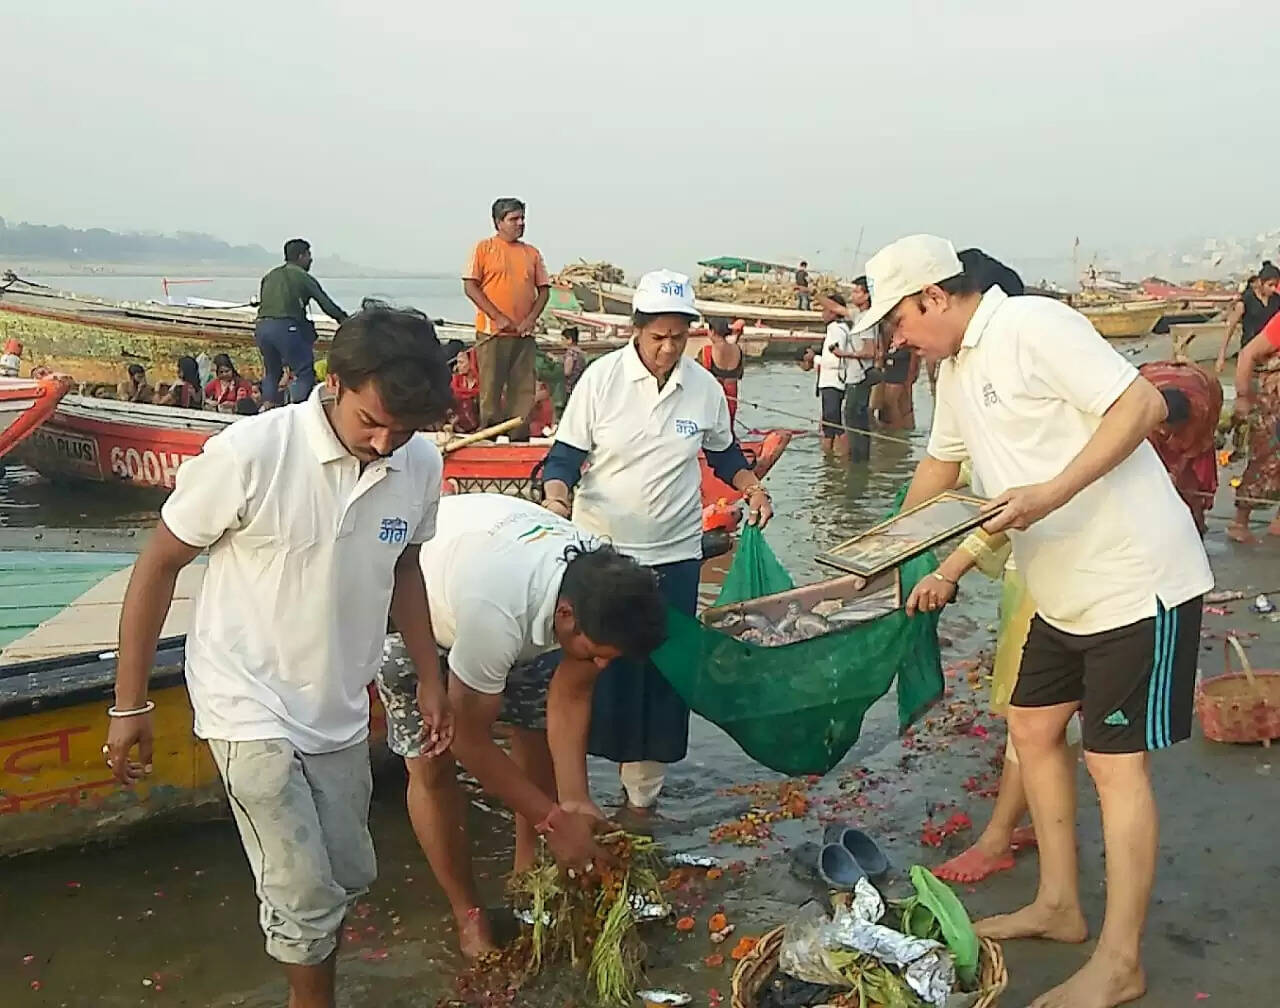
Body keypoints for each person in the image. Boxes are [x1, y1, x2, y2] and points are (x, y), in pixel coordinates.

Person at [869, 234, 1212, 1008]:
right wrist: (875, 553)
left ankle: (1120, 962)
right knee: (1030, 728)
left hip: (1134, 581)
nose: (897, 339)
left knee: (1115, 767)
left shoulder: (1032, 325)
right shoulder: (955, 368)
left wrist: (1049, 493)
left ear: (933, 296)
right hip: (1060, 589)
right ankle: (1059, 904)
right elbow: (940, 469)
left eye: (898, 321)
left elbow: (1142, 405)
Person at [104, 305, 454, 1008]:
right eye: (371, 423)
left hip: (338, 702)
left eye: (403, 430)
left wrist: (429, 675)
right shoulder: (251, 454)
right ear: (335, 383)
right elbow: (158, 564)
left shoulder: (418, 462)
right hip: (246, 699)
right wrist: (129, 703)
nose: (384, 443)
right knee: (303, 893)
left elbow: (405, 568)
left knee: (347, 874)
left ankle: (310, 976)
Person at [376, 493, 667, 957]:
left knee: (533, 737)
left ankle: (527, 878)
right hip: (416, 611)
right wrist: (553, 822)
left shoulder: (603, 590)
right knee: (432, 763)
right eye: (596, 655)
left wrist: (574, 800)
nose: (600, 666)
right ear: (566, 617)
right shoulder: (498, 615)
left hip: (499, 580)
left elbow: (571, 695)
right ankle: (467, 913)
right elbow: (467, 738)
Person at [540, 269, 775, 813]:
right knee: (593, 670)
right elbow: (564, 457)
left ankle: (642, 799)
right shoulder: (602, 380)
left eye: (678, 337)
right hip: (602, 557)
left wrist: (753, 488)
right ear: (636, 330)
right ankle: (574, 796)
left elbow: (724, 454)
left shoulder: (703, 387)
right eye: (658, 337)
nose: (668, 348)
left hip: (676, 556)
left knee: (663, 675)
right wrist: (555, 499)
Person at [462, 198, 551, 442]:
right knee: (490, 388)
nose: (520, 223)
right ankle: (489, 437)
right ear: (498, 222)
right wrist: (497, 316)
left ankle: (518, 437)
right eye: (514, 219)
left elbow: (544, 290)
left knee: (523, 389)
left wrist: (531, 319)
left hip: (523, 334)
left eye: (522, 218)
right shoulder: (483, 248)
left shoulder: (531, 253)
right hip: (493, 333)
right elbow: (470, 286)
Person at [255, 238, 349, 407]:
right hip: (285, 327)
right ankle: (298, 410)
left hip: (262, 327)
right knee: (304, 371)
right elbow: (326, 304)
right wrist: (345, 320)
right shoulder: (303, 277)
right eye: (308, 255)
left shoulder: (269, 276)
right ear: (301, 256)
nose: (311, 259)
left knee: (272, 372)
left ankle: (267, 407)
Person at [1139, 362, 1223, 535]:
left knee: (1190, 482)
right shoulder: (1139, 404)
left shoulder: (1201, 412)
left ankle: (1193, 528)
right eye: (1160, 427)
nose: (1163, 432)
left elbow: (1193, 449)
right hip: (1152, 381)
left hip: (1205, 387)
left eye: (1167, 429)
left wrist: (1175, 474)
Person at [1228, 310, 1280, 542]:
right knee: (1264, 460)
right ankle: (1240, 522)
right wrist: (1242, 397)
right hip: (1273, 405)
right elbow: (1247, 354)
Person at [1216, 262, 1280, 374]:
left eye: (1275, 285)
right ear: (1260, 283)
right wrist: (1221, 357)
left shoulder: (1277, 300)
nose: (1273, 289)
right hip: (1250, 355)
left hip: (1270, 356)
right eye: (1270, 285)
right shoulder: (1246, 300)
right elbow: (1230, 328)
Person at [840, 281, 877, 462]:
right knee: (855, 420)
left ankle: (859, 460)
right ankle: (859, 458)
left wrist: (844, 354)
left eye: (856, 292)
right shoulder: (859, 315)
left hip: (859, 377)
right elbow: (837, 309)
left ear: (866, 295)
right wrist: (813, 292)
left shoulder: (866, 319)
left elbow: (870, 351)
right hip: (855, 377)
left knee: (855, 420)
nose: (852, 295)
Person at [817, 295, 851, 451]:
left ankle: (845, 455)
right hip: (827, 381)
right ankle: (828, 456)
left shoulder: (837, 330)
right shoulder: (834, 329)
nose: (822, 314)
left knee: (834, 423)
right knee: (828, 425)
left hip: (834, 381)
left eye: (825, 310)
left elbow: (836, 358)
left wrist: (816, 359)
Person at [699, 318, 745, 427]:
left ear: (712, 332)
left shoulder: (707, 351)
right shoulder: (738, 349)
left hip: (715, 402)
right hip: (731, 403)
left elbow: (701, 378)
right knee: (729, 429)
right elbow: (740, 374)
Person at [561, 326, 587, 400]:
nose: (561, 342)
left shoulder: (570, 354)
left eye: (563, 339)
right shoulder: (580, 353)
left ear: (570, 340)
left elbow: (567, 372)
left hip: (569, 388)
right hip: (579, 385)